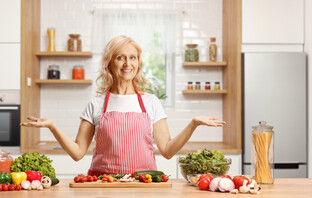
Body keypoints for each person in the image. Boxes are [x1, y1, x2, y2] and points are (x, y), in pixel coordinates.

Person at [20, 35, 226, 176]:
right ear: (110, 64)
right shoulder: (96, 104)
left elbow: (168, 150)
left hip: (144, 185)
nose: (128, 64)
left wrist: (193, 124)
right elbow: (77, 153)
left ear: (138, 63)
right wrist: (52, 126)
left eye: (132, 58)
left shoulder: (151, 102)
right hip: (104, 186)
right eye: (120, 58)